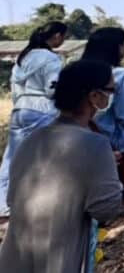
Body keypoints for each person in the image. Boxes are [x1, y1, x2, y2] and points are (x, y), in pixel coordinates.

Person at [0, 60, 122, 272]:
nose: (111, 97)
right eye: (110, 91)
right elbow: (105, 209)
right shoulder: (96, 144)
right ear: (94, 97)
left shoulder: (30, 140)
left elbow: (13, 199)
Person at [0, 21, 66, 218]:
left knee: (12, 158)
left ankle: (4, 202)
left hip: (21, 108)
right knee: (46, 159)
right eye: (63, 36)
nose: (63, 40)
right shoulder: (51, 59)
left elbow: (15, 88)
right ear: (56, 36)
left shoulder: (24, 57)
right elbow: (51, 88)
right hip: (43, 109)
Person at [84, 27, 124, 154]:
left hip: (77, 138)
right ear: (117, 47)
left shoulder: (74, 71)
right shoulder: (123, 76)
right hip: (111, 144)